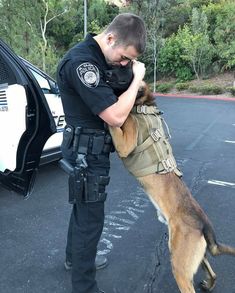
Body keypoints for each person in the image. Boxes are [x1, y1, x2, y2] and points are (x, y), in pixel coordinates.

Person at [56, 13, 146, 293]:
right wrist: (137, 79)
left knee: (83, 211)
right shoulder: (83, 63)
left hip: (86, 149)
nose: (124, 64)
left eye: (129, 62)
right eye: (123, 57)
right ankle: (85, 287)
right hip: (86, 153)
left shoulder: (96, 57)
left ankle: (74, 258)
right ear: (110, 38)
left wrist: (127, 71)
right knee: (91, 221)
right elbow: (115, 117)